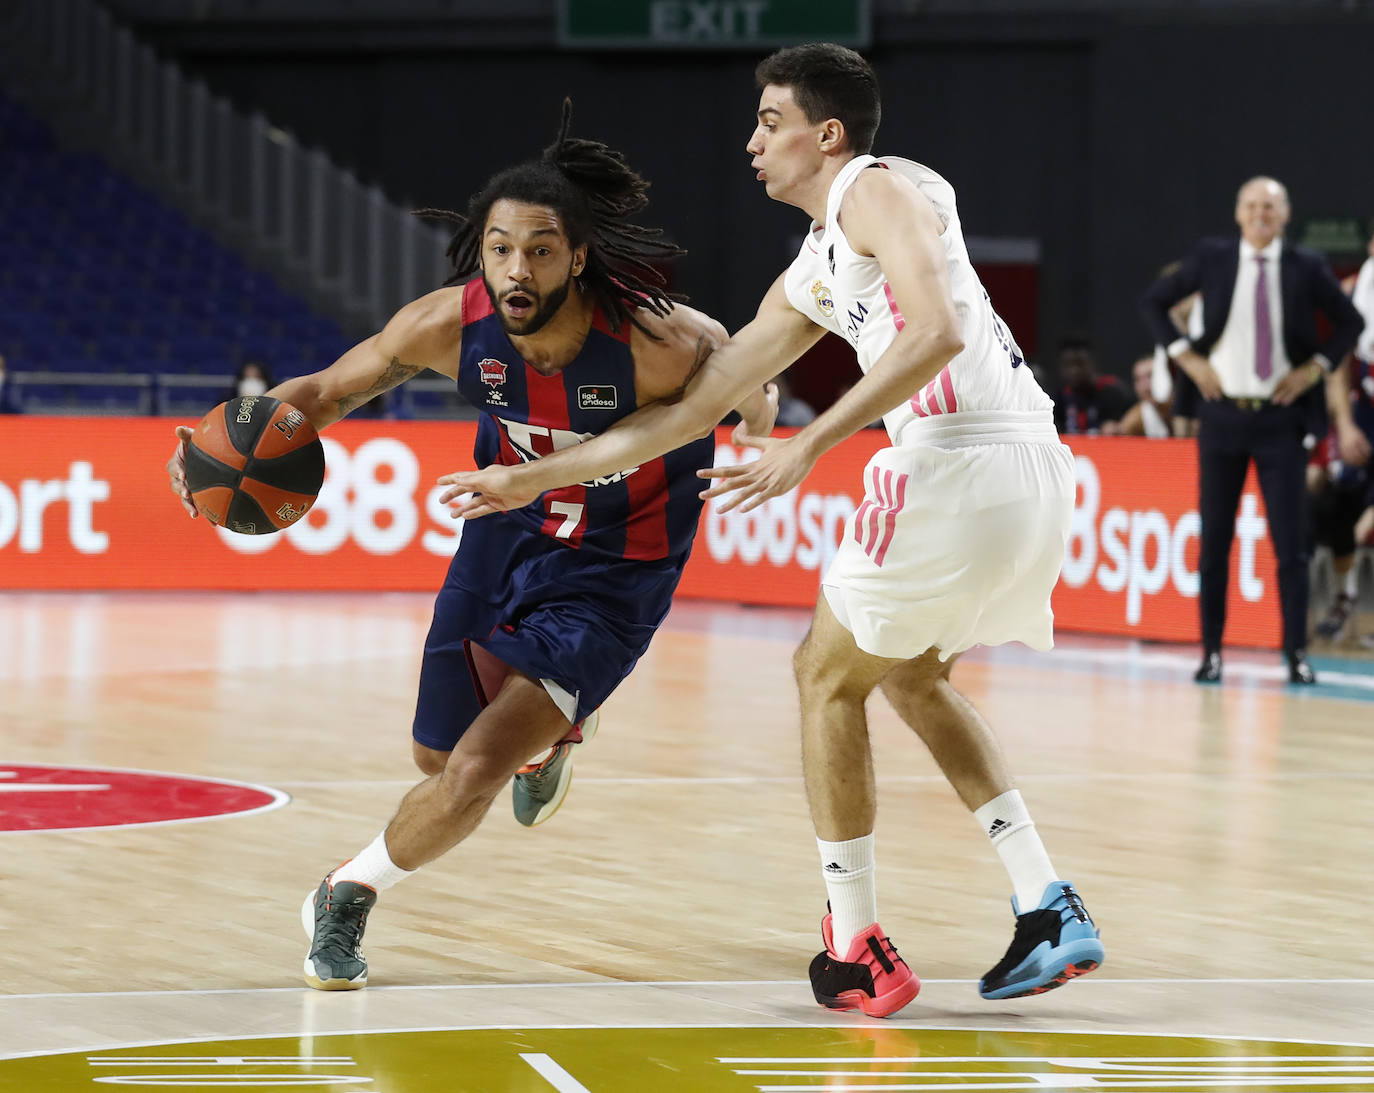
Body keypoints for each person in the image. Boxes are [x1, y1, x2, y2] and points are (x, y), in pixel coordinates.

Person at [441, 43, 1104, 1017]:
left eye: (769, 121)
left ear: (824, 135)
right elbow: (692, 407)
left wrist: (812, 442)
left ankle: (854, 945)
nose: (751, 141)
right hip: (1028, 469)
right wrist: (531, 476)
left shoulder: (874, 187)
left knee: (823, 676)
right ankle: (1045, 900)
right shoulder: (821, 262)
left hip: (957, 454)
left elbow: (939, 333)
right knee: (911, 676)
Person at [166, 104, 771, 991]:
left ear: (577, 256)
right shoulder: (451, 327)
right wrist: (224, 444)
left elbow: (749, 387)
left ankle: (345, 893)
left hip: (616, 570)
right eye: (498, 247)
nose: (515, 267)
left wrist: (755, 402)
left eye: (538, 247)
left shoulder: (659, 346)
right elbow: (328, 391)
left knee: (479, 768)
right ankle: (556, 737)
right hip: (501, 538)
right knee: (439, 758)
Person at [1141, 177, 1365, 685]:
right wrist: (1188, 361)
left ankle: (1296, 654)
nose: (1261, 214)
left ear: (1285, 215)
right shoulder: (1213, 257)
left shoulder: (1305, 266)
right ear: (1238, 213)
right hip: (1221, 416)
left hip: (1281, 419)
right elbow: (1153, 301)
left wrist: (1314, 370)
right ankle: (1212, 652)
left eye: (1270, 206)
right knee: (1215, 539)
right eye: (1252, 205)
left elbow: (1350, 323)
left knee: (1292, 544)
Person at [1311, 225, 1374, 640]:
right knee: (1331, 494)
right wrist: (1347, 423)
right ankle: (1344, 593)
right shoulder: (1358, 290)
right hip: (1365, 410)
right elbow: (1337, 363)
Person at [1051, 334, 1132, 436]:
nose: (1074, 371)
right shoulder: (1057, 400)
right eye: (1068, 365)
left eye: (1080, 363)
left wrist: (1119, 427)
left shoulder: (1114, 393)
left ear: (1092, 363)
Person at [1118, 355, 1173, 438]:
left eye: (1151, 376)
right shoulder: (1132, 423)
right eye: (1138, 379)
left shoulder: (1191, 410)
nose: (1145, 387)